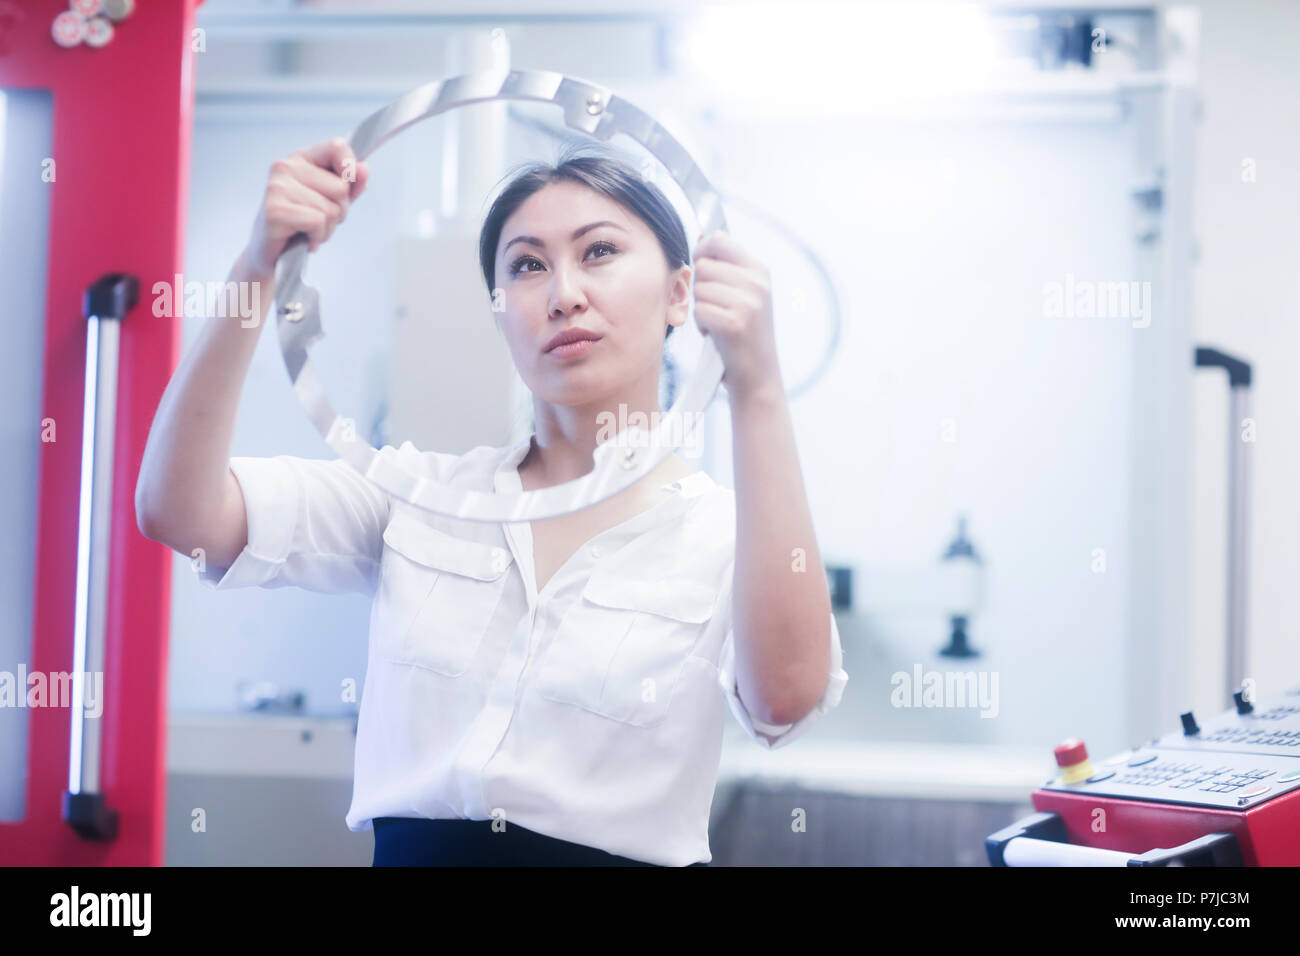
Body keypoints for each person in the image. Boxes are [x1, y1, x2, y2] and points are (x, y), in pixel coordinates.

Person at [136, 136, 848, 866]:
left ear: (680, 294)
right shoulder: (418, 497)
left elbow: (784, 698)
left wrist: (757, 387)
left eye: (599, 252)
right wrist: (257, 268)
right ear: (502, 311)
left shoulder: (724, 536)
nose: (563, 293)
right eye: (528, 266)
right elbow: (178, 511)